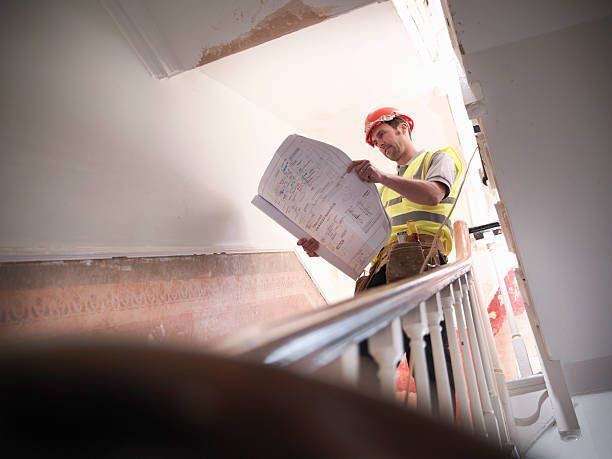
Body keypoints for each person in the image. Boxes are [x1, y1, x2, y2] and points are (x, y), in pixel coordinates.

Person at [297, 107, 463, 406]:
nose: (380, 144)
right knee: (364, 358)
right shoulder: (384, 190)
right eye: (375, 141)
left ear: (402, 127)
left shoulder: (437, 158)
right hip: (386, 267)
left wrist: (382, 177)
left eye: (382, 134)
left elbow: (433, 195)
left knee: (430, 360)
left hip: (420, 260)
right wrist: (322, 248)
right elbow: (369, 243)